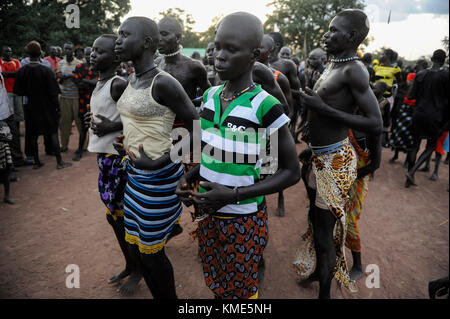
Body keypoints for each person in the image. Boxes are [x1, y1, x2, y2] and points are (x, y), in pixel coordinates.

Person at [176, 12, 300, 299]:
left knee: (242, 291)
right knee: (217, 281)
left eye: (231, 49)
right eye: (217, 46)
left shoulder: (265, 106)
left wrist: (233, 194)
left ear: (254, 55)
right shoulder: (209, 96)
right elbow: (209, 151)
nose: (219, 56)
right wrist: (188, 177)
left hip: (242, 219)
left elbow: (290, 173)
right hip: (207, 212)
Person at [295, 9, 382, 299]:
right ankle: (320, 275)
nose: (327, 34)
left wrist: (323, 109)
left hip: (335, 162)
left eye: (334, 30)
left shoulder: (354, 69)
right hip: (320, 157)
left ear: (353, 36)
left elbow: (375, 123)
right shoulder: (334, 64)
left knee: (324, 236)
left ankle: (325, 294)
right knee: (316, 224)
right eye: (328, 29)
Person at [114, 16, 199, 299]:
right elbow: (140, 123)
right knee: (139, 248)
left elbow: (197, 129)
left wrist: (160, 161)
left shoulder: (164, 83)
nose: (118, 40)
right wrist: (125, 142)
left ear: (147, 42)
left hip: (160, 182)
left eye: (125, 34)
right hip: (135, 178)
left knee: (152, 255)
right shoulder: (132, 78)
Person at [83, 34, 142, 295]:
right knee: (114, 218)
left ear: (116, 57)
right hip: (104, 160)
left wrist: (111, 125)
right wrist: (95, 119)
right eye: (92, 51)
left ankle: (139, 269)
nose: (92, 54)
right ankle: (131, 264)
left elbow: (140, 118)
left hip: (118, 160)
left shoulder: (118, 84)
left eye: (99, 51)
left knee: (125, 219)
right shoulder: (101, 83)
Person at [13, 41, 71, 170]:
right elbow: (54, 92)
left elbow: (18, 91)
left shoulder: (22, 71)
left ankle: (37, 162)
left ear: (27, 54)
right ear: (40, 53)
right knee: (52, 133)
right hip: (47, 106)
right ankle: (59, 162)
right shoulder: (46, 70)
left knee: (32, 134)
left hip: (30, 107)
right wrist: (57, 108)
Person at [405, 49, 449, 187]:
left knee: (415, 145)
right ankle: (411, 172)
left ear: (432, 59)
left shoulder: (421, 74)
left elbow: (411, 96)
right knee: (431, 146)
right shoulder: (446, 75)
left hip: (418, 113)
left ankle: (408, 179)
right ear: (444, 60)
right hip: (435, 117)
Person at [389, 59, 428, 165]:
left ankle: (407, 160)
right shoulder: (412, 75)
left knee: (412, 135)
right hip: (406, 106)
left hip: (417, 108)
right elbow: (410, 85)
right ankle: (396, 155)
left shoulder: (425, 77)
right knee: (399, 131)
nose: (417, 67)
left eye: (420, 66)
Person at [0, 45, 25, 167]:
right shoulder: (1, 62)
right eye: (6, 51)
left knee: (18, 115)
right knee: (9, 121)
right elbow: (4, 74)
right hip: (6, 95)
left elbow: (18, 73)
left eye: (10, 51)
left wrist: (9, 74)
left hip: (15, 91)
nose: (9, 53)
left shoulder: (15, 61)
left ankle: (15, 160)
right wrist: (11, 74)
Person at [57, 42, 83, 152]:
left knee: (80, 122)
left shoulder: (79, 63)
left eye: (69, 49)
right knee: (65, 123)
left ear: (73, 50)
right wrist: (62, 77)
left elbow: (82, 80)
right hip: (64, 96)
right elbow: (59, 80)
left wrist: (73, 76)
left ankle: (83, 146)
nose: (67, 51)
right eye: (65, 49)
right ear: (63, 50)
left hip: (76, 96)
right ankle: (64, 145)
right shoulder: (61, 63)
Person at [73, 46, 97, 161]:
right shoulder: (79, 67)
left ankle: (98, 148)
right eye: (86, 54)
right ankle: (80, 150)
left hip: (96, 101)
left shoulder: (98, 67)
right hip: (83, 102)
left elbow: (98, 82)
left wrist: (86, 81)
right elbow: (78, 83)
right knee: (83, 127)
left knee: (98, 124)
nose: (89, 56)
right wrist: (91, 82)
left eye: (90, 54)